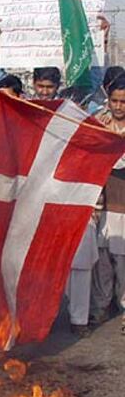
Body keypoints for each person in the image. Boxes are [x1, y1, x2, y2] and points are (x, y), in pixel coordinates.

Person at [91, 75, 125, 330]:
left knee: (122, 260)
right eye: (115, 100)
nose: (119, 106)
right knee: (102, 259)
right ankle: (101, 306)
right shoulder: (99, 126)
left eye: (124, 101)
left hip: (123, 204)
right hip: (100, 203)